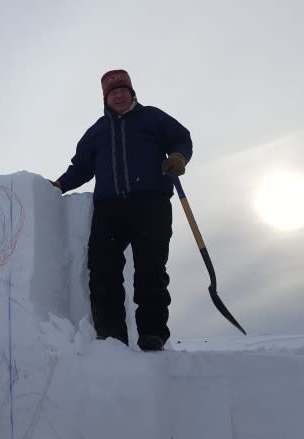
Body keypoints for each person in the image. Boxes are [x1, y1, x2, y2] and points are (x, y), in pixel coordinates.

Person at [52, 69, 192, 351]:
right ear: (105, 98)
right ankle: (111, 337)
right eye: (113, 92)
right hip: (110, 207)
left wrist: (178, 157)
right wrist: (56, 186)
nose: (119, 95)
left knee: (150, 270)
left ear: (132, 93)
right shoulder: (97, 131)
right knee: (102, 270)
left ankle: (152, 334)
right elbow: (81, 168)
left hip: (150, 203)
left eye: (123, 91)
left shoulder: (152, 117)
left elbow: (181, 138)